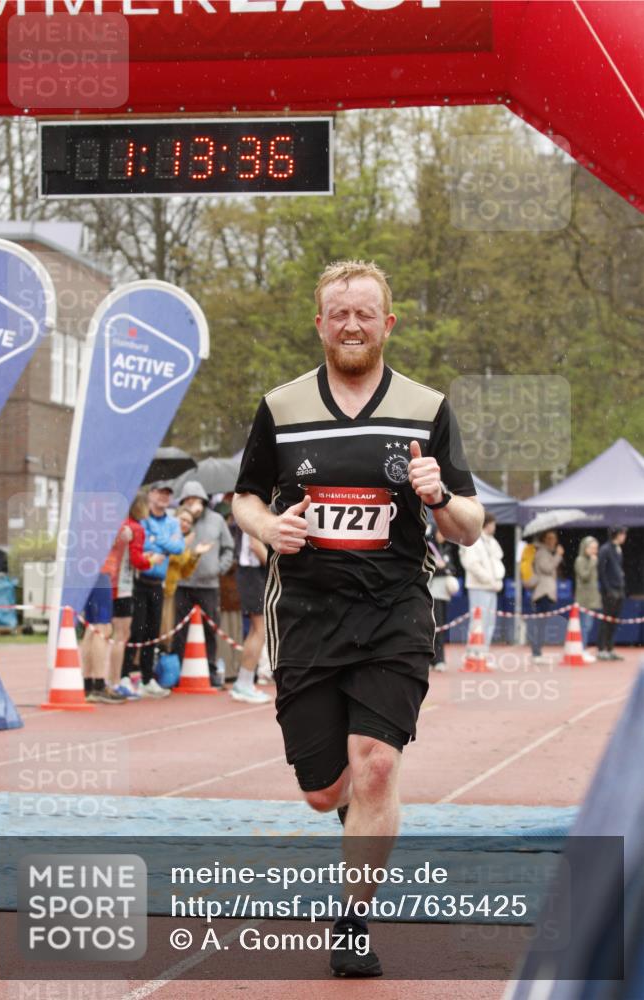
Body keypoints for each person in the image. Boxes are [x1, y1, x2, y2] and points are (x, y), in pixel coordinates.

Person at [232, 260, 482, 977]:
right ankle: (347, 809)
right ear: (319, 322)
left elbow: (470, 524)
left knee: (374, 767)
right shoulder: (279, 408)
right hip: (306, 615)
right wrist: (265, 525)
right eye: (337, 313)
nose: (350, 324)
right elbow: (244, 496)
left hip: (393, 612)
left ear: (386, 323)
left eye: (364, 313)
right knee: (323, 791)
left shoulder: (424, 407)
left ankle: (351, 922)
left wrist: (437, 497)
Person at [120, 481, 184, 698]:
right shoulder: (142, 518)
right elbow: (143, 545)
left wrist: (157, 538)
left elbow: (178, 547)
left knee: (153, 632)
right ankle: (125, 675)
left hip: (159, 583)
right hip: (139, 581)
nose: (164, 497)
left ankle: (148, 678)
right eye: (160, 492)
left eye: (168, 494)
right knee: (135, 630)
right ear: (151, 494)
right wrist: (161, 543)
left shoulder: (173, 522)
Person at [173, 480, 235, 688]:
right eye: (188, 500)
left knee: (210, 628)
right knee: (180, 629)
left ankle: (209, 669)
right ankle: (180, 669)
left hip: (209, 584)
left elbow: (229, 547)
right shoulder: (179, 520)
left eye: (196, 500)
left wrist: (220, 567)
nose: (192, 504)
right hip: (183, 583)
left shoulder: (217, 520)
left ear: (204, 500)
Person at [105, 491, 165, 698]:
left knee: (107, 633)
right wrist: (152, 560)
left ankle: (108, 679)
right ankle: (116, 681)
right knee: (121, 635)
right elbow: (137, 560)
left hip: (108, 581)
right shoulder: (136, 528)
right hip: (122, 585)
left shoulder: (119, 524)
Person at [161, 508, 213, 649]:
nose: (185, 524)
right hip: (156, 588)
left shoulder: (184, 543)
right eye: (182, 519)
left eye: (189, 522)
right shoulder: (166, 535)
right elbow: (167, 558)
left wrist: (195, 554)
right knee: (153, 630)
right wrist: (182, 545)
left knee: (167, 633)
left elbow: (184, 572)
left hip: (171, 591)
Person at [230, 528, 272, 704]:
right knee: (259, 630)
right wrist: (274, 567)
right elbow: (255, 544)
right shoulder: (253, 506)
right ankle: (244, 683)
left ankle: (244, 682)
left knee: (257, 630)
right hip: (251, 572)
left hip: (252, 573)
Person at [459, 512, 505, 659]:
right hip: (478, 586)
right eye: (493, 524)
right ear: (488, 524)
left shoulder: (491, 542)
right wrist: (489, 580)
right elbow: (473, 565)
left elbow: (497, 559)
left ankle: (483, 651)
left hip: (491, 587)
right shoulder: (475, 541)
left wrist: (496, 580)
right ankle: (473, 651)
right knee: (479, 619)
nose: (495, 527)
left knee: (489, 620)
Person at [81, 571, 126, 705]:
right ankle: (98, 685)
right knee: (102, 627)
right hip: (101, 570)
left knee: (92, 627)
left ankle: (88, 685)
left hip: (87, 572)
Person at [528, 530, 564, 664]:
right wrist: (558, 556)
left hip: (547, 593)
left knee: (542, 625)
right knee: (539, 624)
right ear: (544, 540)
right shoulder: (542, 552)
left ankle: (538, 652)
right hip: (542, 593)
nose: (553, 541)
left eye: (554, 538)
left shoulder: (547, 552)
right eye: (549, 538)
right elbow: (547, 568)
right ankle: (536, 653)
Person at [426, 526, 458, 672]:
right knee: (432, 627)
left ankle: (439, 659)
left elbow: (452, 568)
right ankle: (433, 659)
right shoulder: (428, 548)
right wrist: (442, 568)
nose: (443, 536)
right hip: (431, 592)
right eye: (441, 533)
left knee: (441, 625)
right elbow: (428, 569)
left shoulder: (447, 548)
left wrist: (445, 568)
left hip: (443, 593)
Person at [597, 526, 627, 661]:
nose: (624, 536)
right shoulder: (605, 549)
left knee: (614, 621)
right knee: (606, 620)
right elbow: (601, 571)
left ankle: (610, 648)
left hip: (619, 589)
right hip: (610, 591)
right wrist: (608, 589)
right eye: (623, 534)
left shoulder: (618, 549)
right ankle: (601, 649)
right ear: (617, 534)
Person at [573, 535, 601, 664]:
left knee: (588, 626)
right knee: (584, 626)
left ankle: (583, 648)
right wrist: (592, 563)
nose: (594, 550)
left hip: (592, 598)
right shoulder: (580, 560)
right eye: (592, 547)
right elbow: (584, 576)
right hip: (583, 599)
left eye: (596, 548)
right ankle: (582, 649)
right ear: (585, 548)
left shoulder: (592, 560)